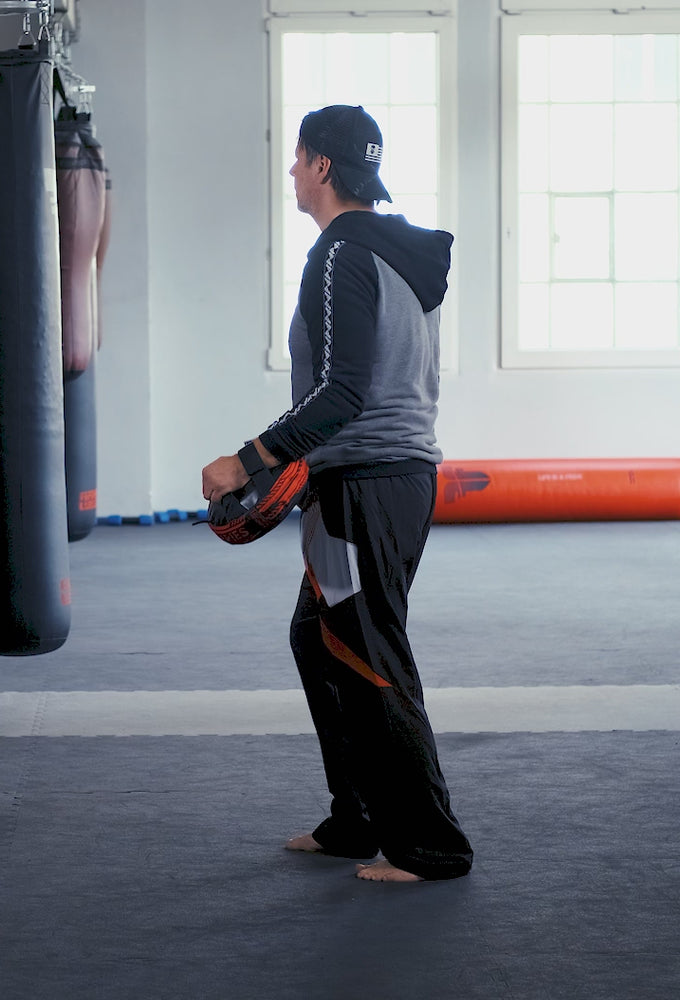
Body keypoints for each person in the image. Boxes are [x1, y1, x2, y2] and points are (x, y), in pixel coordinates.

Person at [202, 105, 473, 882]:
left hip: (365, 486)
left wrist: (246, 461)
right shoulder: (391, 251)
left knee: (366, 648)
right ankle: (356, 818)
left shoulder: (341, 252)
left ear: (322, 165)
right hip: (371, 481)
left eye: (298, 157)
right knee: (318, 637)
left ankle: (428, 844)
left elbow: (340, 394)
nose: (291, 170)